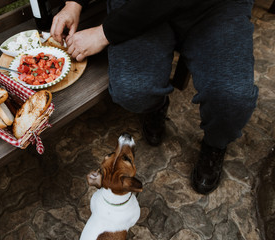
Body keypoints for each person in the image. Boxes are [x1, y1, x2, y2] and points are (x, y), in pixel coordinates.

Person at [50, 0, 259, 195]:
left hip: (216, 7)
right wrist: (73, 3)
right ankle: (155, 104)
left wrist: (104, 33)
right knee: (134, 91)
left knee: (231, 97)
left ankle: (215, 144)